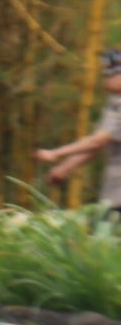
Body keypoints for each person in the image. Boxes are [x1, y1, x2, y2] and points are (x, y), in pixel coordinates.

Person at [36, 49, 121, 213]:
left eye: (112, 71)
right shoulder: (114, 102)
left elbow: (99, 140)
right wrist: (65, 167)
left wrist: (56, 153)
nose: (106, 76)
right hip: (114, 194)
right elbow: (96, 144)